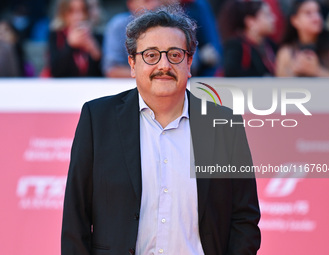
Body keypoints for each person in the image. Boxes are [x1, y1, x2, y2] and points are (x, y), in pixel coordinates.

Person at [61, 5, 261, 255]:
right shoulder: (97, 119)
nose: (163, 65)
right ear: (132, 63)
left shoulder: (223, 125)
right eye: (151, 55)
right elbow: (76, 216)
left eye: (175, 55)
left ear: (189, 62)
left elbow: (244, 218)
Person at [275, 0, 329, 77]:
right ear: (295, 20)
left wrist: (317, 71)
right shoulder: (286, 53)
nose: (316, 18)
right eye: (308, 13)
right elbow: (280, 85)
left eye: (318, 12)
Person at [218, 0, 277, 77]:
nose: (273, 18)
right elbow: (231, 73)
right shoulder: (236, 46)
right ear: (250, 21)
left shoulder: (271, 45)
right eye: (267, 15)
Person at [48, 0, 102, 77]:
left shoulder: (96, 36)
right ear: (63, 13)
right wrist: (69, 45)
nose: (78, 16)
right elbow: (55, 71)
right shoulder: (57, 36)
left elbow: (103, 73)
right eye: (71, 11)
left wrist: (94, 50)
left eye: (82, 10)